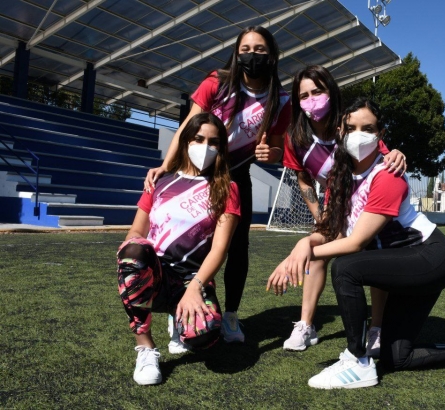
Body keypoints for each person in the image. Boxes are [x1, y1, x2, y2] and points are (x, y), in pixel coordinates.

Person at [269, 97, 445, 389]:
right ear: (339, 130)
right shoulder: (340, 178)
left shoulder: (388, 175)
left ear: (381, 135)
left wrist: (307, 251)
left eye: (367, 127)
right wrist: (305, 244)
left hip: (431, 258)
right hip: (407, 265)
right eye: (350, 127)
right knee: (396, 357)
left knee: (346, 267)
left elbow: (356, 242)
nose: (357, 134)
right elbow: (333, 231)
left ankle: (357, 361)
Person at [144, 26, 291, 346]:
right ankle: (175, 305)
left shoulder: (280, 99)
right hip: (198, 175)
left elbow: (277, 148)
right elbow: (188, 127)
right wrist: (165, 167)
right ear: (237, 52)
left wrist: (272, 153)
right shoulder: (217, 82)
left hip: (237, 176)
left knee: (238, 249)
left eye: (260, 49)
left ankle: (231, 315)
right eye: (247, 48)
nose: (253, 55)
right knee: (184, 243)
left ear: (272, 55)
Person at [270, 65, 406, 354]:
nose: (312, 100)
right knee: (318, 251)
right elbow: (303, 177)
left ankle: (377, 327)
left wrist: (396, 153)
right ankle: (306, 325)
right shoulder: (295, 137)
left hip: (364, 205)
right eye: (304, 95)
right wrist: (320, 216)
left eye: (317, 91)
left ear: (331, 92)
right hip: (335, 206)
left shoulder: (349, 125)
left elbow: (382, 153)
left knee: (374, 253)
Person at [118, 113, 240, 385]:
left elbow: (219, 249)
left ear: (220, 148)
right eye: (198, 139)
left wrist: (195, 287)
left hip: (193, 278)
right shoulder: (159, 182)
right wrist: (135, 259)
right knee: (132, 251)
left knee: (204, 335)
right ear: (186, 141)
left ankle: (179, 319)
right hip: (158, 273)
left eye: (213, 142)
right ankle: (146, 349)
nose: (205, 147)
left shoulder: (228, 188)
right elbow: (136, 232)